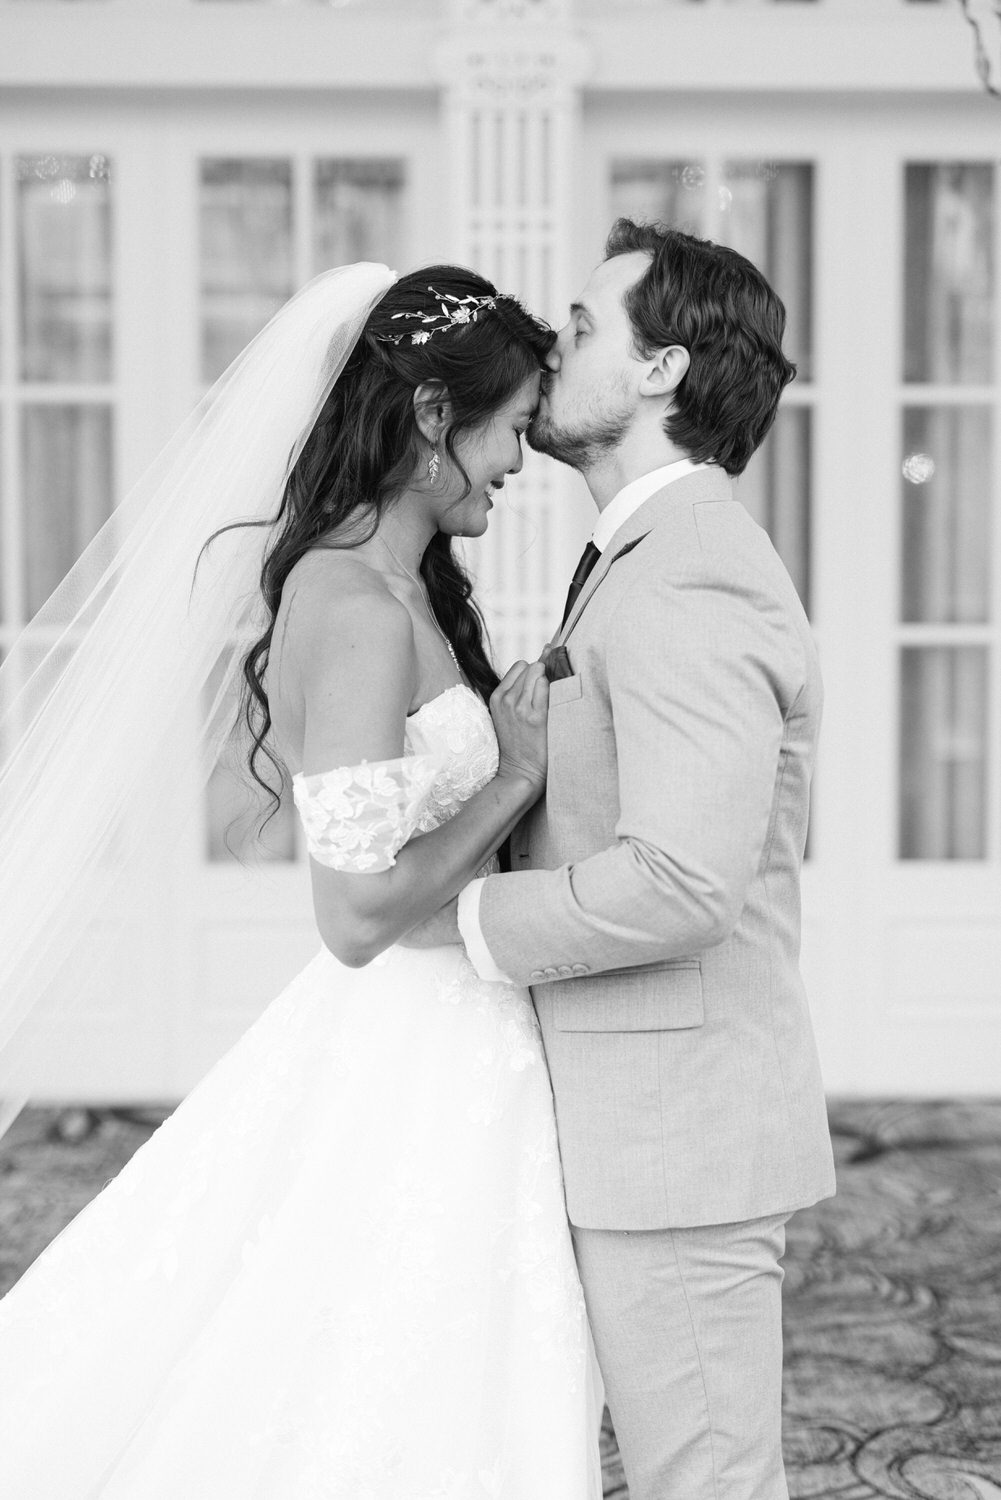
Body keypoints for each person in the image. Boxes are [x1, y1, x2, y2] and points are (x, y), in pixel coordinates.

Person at [0, 265, 604, 1498]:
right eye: (507, 430)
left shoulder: (397, 587)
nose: (520, 461)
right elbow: (353, 914)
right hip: (416, 1041)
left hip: (459, 1036)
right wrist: (511, 774)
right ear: (433, 416)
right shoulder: (357, 605)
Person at [414, 220, 837, 1500]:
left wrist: (466, 921)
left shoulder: (693, 576)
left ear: (660, 371)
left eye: (585, 325)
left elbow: (684, 880)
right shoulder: (644, 559)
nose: (554, 343)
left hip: (680, 1146)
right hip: (640, 1130)